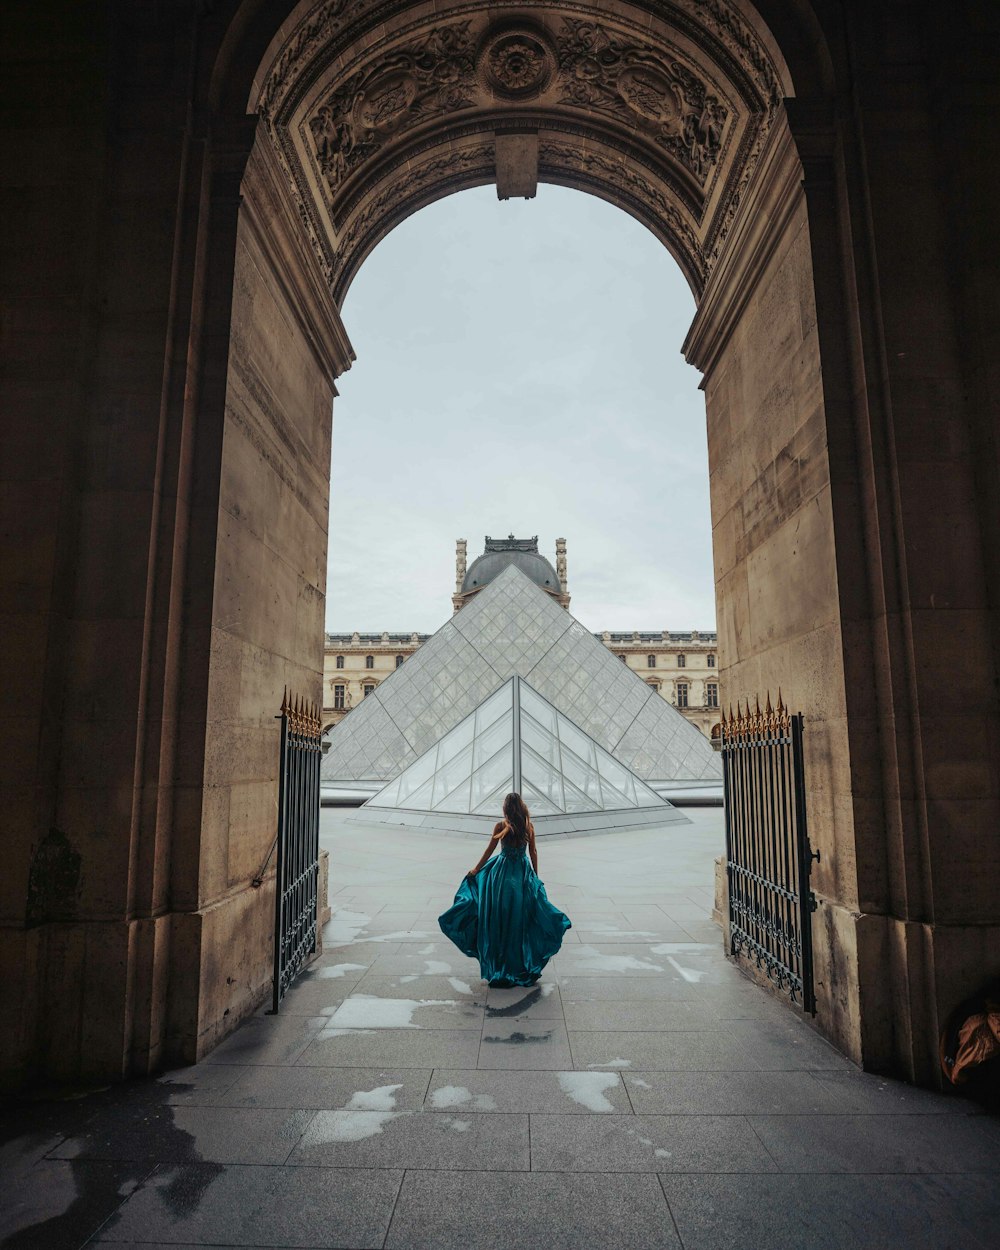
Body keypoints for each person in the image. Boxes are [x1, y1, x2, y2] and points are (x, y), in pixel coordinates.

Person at [438, 792, 572, 987]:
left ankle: (499, 964)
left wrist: (476, 869)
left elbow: (489, 850)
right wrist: (535, 874)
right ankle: (519, 963)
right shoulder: (528, 826)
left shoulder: (501, 826)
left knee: (499, 919)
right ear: (521, 806)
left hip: (500, 877)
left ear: (506, 808)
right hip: (520, 875)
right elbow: (533, 851)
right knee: (520, 921)